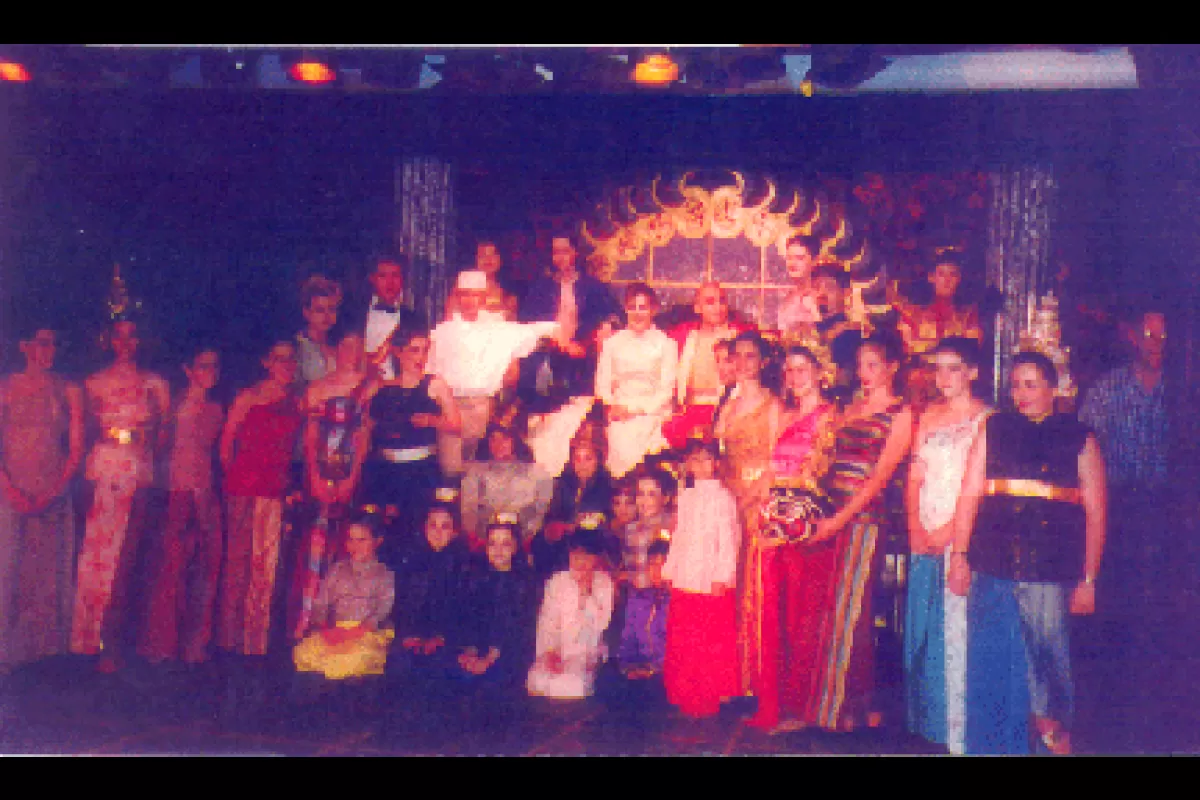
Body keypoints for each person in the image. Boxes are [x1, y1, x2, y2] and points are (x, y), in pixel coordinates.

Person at [949, 350, 1106, 755]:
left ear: (1054, 388)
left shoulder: (1079, 436)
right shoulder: (994, 427)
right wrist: (959, 556)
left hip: (1049, 570)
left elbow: (1096, 513)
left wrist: (1088, 580)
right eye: (1016, 385)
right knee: (993, 663)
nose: (1022, 393)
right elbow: (969, 494)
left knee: (1049, 664)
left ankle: (1055, 742)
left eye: (1031, 384)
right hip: (993, 566)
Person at [806, 332, 914, 731]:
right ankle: (830, 706)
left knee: (855, 612)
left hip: (865, 518)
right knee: (829, 610)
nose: (865, 373)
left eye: (874, 365)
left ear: (892, 367)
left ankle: (849, 707)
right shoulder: (848, 407)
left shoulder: (901, 413)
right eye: (861, 365)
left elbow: (879, 479)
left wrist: (840, 519)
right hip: (829, 514)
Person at [742, 344, 838, 733]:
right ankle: (774, 704)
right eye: (789, 371)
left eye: (801, 370)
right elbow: (771, 470)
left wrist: (800, 512)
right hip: (774, 519)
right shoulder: (785, 415)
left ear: (819, 372)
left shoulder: (831, 416)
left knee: (800, 614)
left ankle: (799, 708)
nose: (794, 378)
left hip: (805, 523)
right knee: (774, 611)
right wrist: (753, 505)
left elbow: (826, 475)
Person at [903, 337, 991, 754]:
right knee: (924, 629)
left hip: (961, 536)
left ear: (972, 372)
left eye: (953, 368)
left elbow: (980, 488)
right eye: (938, 368)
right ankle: (932, 726)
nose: (943, 377)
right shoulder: (928, 415)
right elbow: (915, 477)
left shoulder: (987, 419)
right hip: (924, 532)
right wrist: (915, 526)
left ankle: (961, 731)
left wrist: (950, 533)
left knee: (957, 631)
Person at [71, 319, 170, 673]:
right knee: (96, 558)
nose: (125, 343)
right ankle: (89, 640)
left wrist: (143, 454)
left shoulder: (155, 384)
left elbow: (163, 437)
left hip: (139, 476)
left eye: (132, 336)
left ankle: (120, 642)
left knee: (129, 559)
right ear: (109, 340)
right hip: (102, 472)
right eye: (118, 336)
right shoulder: (93, 383)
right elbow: (82, 433)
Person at [1077, 309, 1169, 634]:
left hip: (1166, 507)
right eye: (1149, 335)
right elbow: (1083, 443)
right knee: (1117, 600)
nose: (1156, 344)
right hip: (1118, 505)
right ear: (1133, 337)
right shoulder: (1107, 389)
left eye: (1163, 336)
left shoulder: (1182, 390)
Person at [0, 325, 83, 672]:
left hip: (53, 490)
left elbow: (75, 448)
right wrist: (8, 489)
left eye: (54, 344)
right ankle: (7, 654)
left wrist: (54, 490)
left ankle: (45, 656)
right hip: (11, 489)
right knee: (8, 567)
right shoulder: (5, 388)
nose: (49, 351)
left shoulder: (68, 390)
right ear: (24, 346)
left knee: (48, 571)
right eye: (43, 343)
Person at [427, 270, 564, 476]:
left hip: (483, 408)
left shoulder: (498, 329)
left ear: (483, 298)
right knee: (451, 470)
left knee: (478, 471)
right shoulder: (442, 332)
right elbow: (430, 373)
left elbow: (535, 330)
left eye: (475, 295)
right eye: (464, 294)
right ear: (457, 297)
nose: (469, 301)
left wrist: (560, 331)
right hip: (450, 408)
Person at [138, 346, 225, 666]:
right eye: (203, 366)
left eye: (214, 366)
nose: (210, 372)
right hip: (176, 493)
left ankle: (195, 644)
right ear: (188, 371)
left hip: (205, 492)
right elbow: (160, 451)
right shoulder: (173, 407)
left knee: (205, 567)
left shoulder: (216, 408)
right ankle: (160, 645)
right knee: (170, 566)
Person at [216, 339, 303, 659]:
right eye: (280, 360)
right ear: (267, 362)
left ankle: (255, 643)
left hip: (274, 491)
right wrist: (235, 482)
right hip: (243, 490)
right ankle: (228, 642)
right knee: (237, 565)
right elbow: (226, 445)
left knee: (265, 566)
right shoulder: (248, 397)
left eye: (291, 360)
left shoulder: (295, 401)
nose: (287, 366)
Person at [287, 329, 371, 642]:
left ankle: (340, 625)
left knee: (346, 546)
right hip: (319, 476)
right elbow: (310, 436)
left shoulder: (369, 386)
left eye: (358, 347)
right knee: (315, 546)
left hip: (352, 477)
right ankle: (307, 619)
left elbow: (363, 437)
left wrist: (351, 477)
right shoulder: (317, 387)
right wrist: (314, 476)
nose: (352, 353)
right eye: (347, 346)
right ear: (335, 350)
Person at [712, 330, 783, 697]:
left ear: (764, 361)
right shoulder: (727, 402)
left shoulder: (772, 405)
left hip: (758, 502)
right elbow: (719, 458)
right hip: (728, 500)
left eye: (750, 356)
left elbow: (777, 462)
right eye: (736, 356)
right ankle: (730, 677)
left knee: (755, 585)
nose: (741, 363)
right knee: (729, 583)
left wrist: (748, 497)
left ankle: (756, 679)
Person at [358, 327, 459, 556]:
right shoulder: (381, 387)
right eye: (414, 350)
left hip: (421, 471)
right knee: (385, 536)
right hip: (386, 471)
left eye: (424, 350)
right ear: (399, 352)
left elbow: (455, 424)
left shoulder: (434, 384)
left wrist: (432, 420)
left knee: (419, 534)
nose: (420, 357)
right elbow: (359, 414)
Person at [662, 436, 741, 719]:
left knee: (708, 637)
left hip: (710, 579)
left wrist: (723, 575)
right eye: (695, 459)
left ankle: (708, 693)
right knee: (687, 636)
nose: (700, 464)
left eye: (707, 459)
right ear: (688, 464)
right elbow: (678, 537)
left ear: (716, 463)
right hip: (686, 575)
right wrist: (670, 569)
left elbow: (730, 540)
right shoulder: (685, 497)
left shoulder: (723, 498)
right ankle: (685, 691)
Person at [386, 488, 474, 719]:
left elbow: (465, 613)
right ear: (424, 528)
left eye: (445, 526)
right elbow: (401, 605)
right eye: (432, 525)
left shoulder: (465, 566)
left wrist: (441, 638)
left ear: (455, 532)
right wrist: (409, 635)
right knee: (400, 663)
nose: (438, 532)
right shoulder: (410, 562)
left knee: (438, 668)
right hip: (413, 635)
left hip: (448, 638)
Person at [292, 512, 395, 681]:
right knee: (303, 654)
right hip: (335, 632)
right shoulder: (336, 570)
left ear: (378, 541)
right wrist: (325, 628)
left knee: (353, 660)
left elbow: (382, 610)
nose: (355, 546)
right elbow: (321, 604)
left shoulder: (384, 574)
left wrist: (356, 632)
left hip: (365, 633)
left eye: (362, 540)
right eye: (350, 540)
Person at [455, 518, 539, 718]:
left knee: (490, 684)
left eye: (505, 544)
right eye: (492, 543)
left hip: (509, 651)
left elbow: (515, 627)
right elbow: (470, 618)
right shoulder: (476, 576)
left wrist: (488, 659)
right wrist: (471, 651)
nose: (498, 550)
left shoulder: (524, 581)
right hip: (480, 648)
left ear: (515, 547)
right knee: (459, 676)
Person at [595, 282, 679, 478]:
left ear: (653, 310)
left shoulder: (666, 344)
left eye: (643, 308)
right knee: (618, 440)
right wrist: (613, 406)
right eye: (632, 307)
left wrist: (637, 410)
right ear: (626, 309)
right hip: (619, 410)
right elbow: (602, 385)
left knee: (645, 440)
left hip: (653, 410)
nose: (637, 313)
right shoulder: (612, 343)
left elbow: (666, 390)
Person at [526, 526, 615, 700]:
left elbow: (598, 626)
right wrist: (550, 652)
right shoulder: (557, 581)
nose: (581, 562)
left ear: (596, 558)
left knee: (571, 684)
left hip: (585, 652)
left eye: (586, 557)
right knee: (538, 680)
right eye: (576, 556)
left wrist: (586, 592)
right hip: (557, 650)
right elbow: (547, 621)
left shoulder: (604, 583)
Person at [663, 282, 752, 450]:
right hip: (689, 412)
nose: (718, 308)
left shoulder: (740, 337)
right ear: (697, 308)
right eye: (710, 302)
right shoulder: (682, 337)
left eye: (722, 301)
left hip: (727, 411)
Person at [520, 230, 624, 355]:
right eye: (556, 252)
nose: (560, 257)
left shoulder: (593, 286)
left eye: (565, 251)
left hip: (584, 351)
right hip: (547, 351)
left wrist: (607, 326)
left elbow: (612, 314)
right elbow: (528, 321)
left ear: (575, 252)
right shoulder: (541, 288)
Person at [530, 431, 614, 582]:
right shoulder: (563, 484)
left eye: (588, 458)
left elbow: (610, 521)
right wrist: (558, 528)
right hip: (564, 543)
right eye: (577, 459)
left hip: (594, 544)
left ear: (597, 461)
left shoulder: (608, 486)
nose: (582, 464)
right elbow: (551, 517)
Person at [460, 420, 554, 552]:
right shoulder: (476, 472)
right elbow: (468, 508)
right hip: (486, 540)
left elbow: (540, 510)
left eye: (504, 439)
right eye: (493, 439)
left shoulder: (538, 473)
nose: (498, 444)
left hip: (525, 540)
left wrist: (527, 537)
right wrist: (477, 536)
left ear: (515, 441)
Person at [358, 254, 422, 382]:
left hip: (398, 387)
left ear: (403, 280)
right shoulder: (356, 313)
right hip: (360, 385)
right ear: (372, 279)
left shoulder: (413, 319)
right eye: (383, 276)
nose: (390, 282)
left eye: (395, 275)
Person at [811, 263, 864, 409]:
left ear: (845, 293)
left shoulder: (851, 334)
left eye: (829, 288)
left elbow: (845, 384)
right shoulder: (809, 330)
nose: (821, 294)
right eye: (816, 288)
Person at [443, 239, 518, 321]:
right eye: (482, 256)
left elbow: (511, 319)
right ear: (475, 259)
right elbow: (450, 314)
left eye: (493, 255)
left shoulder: (507, 288)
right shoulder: (465, 281)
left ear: (500, 259)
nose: (488, 260)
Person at [294, 275, 343, 387]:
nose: (327, 316)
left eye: (331, 309)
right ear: (306, 312)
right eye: (320, 310)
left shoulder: (339, 345)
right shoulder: (297, 346)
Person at [776, 234, 824, 338]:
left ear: (814, 261)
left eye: (799, 258)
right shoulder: (787, 298)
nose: (792, 264)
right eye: (789, 258)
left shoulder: (822, 297)